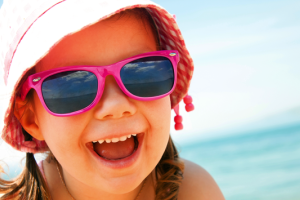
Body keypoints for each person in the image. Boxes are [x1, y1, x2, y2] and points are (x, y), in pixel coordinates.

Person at [0, 0, 225, 199]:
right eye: (72, 87)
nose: (115, 106)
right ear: (31, 118)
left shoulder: (193, 190)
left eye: (143, 73)